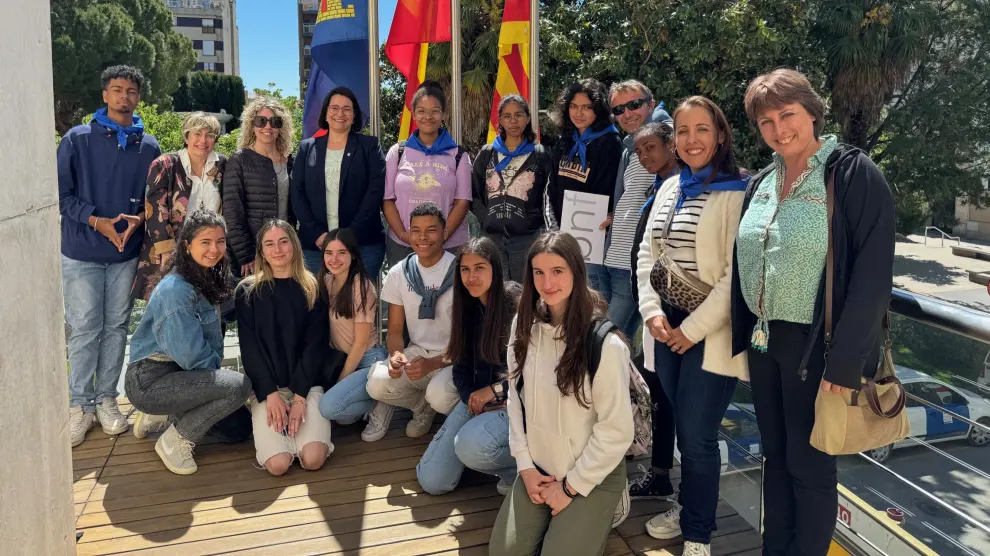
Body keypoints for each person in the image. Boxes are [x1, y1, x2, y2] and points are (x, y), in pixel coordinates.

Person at [732, 68, 895, 556]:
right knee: (776, 460)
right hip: (765, 345)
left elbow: (872, 277)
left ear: (811, 113)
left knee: (810, 467)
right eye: (766, 121)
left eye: (788, 115)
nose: (779, 129)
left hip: (817, 350)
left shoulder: (851, 172)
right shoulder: (763, 180)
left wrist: (844, 363)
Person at [635, 96, 750, 556]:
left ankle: (699, 533)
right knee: (680, 423)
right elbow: (647, 255)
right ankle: (685, 507)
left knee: (698, 436)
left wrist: (692, 330)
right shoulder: (669, 187)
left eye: (702, 129)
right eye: (682, 131)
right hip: (666, 327)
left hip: (711, 333)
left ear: (720, 134)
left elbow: (734, 275)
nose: (692, 139)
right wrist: (651, 312)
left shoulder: (736, 192)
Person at [489, 232, 633, 556]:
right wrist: (524, 466)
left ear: (576, 273)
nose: (547, 282)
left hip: (589, 474)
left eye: (557, 271)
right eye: (538, 272)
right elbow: (515, 399)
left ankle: (612, 505)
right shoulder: (522, 326)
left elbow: (617, 431)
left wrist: (570, 487)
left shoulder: (604, 344)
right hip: (539, 468)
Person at [58, 65, 161, 447]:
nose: (124, 96)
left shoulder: (149, 145)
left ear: (138, 97)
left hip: (125, 253)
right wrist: (97, 221)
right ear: (104, 95)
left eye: (131, 90)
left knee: (117, 326)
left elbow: (153, 199)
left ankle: (106, 399)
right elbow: (62, 196)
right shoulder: (76, 139)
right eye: (117, 89)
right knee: (85, 327)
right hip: (82, 251)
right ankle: (79, 405)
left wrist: (137, 220)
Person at [125, 210, 252, 475]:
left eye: (220, 241)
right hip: (150, 381)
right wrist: (225, 382)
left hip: (178, 376)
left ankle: (163, 414)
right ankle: (175, 440)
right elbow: (194, 359)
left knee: (239, 429)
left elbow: (239, 299)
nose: (214, 249)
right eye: (205, 242)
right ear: (187, 245)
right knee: (238, 387)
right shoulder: (176, 290)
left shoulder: (207, 277)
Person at [416, 237, 520, 496]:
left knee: (470, 446)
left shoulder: (516, 302)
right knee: (433, 481)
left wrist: (496, 391)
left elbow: (535, 370)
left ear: (495, 268)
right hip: (478, 399)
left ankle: (515, 471)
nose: (471, 277)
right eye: (465, 269)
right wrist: (472, 398)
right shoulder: (467, 306)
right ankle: (479, 451)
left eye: (480, 268)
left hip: (516, 400)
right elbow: (460, 367)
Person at [235, 220, 334, 475]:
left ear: (294, 246)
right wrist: (270, 393)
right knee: (278, 465)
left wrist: (300, 396)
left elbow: (315, 346)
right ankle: (284, 443)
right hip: (268, 389)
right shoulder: (247, 291)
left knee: (312, 460)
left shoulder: (313, 287)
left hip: (307, 385)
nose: (277, 249)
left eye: (283, 241)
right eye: (269, 244)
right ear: (262, 252)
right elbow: (250, 350)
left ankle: (301, 439)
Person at [366, 203, 461, 438]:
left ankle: (448, 416)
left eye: (431, 230)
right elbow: (396, 330)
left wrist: (435, 363)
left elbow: (469, 339)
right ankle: (421, 407)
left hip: (454, 358)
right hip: (418, 353)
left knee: (440, 396)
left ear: (444, 233)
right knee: (376, 384)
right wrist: (397, 355)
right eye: (416, 230)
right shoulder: (400, 272)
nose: (423, 237)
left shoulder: (460, 270)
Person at [626, 121, 680, 502]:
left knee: (668, 399)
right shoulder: (658, 187)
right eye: (639, 151)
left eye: (651, 148)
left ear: (671, 145)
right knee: (657, 396)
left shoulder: (681, 188)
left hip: (671, 316)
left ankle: (670, 482)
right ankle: (659, 475)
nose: (645, 156)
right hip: (653, 313)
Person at [291, 87, 387, 277]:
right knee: (319, 304)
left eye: (346, 109)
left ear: (354, 115)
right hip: (316, 246)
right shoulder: (306, 148)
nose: (340, 114)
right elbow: (297, 193)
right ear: (326, 113)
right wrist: (318, 234)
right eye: (334, 108)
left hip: (363, 245)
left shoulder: (370, 146)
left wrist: (347, 238)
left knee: (359, 303)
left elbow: (375, 192)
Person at [601, 80, 671, 339]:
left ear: (651, 104)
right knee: (619, 344)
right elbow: (631, 197)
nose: (627, 114)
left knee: (605, 339)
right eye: (619, 110)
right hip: (618, 258)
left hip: (639, 261)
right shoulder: (630, 148)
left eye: (634, 105)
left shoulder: (668, 137)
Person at [134, 112, 226, 300]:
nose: (203, 140)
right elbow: (155, 210)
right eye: (197, 134)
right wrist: (167, 255)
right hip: (172, 251)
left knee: (210, 311)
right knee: (173, 309)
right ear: (186, 137)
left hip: (210, 252)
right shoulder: (166, 165)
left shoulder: (223, 165)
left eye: (210, 135)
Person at [544, 78, 622, 297]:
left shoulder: (610, 142)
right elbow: (553, 187)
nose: (579, 113)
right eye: (573, 107)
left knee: (593, 295)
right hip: (563, 232)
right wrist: (555, 227)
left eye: (587, 107)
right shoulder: (564, 141)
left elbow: (608, 190)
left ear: (598, 109)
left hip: (593, 239)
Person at [382, 80, 472, 267]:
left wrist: (442, 235)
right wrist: (403, 235)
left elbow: (462, 201)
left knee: (450, 296)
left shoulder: (458, 155)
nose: (428, 116)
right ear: (414, 114)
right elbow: (388, 200)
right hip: (403, 245)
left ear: (443, 114)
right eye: (421, 111)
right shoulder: (397, 153)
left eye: (435, 111)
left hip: (449, 246)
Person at [316, 228, 393, 442]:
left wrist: (342, 379)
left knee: (329, 407)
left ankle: (383, 401)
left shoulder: (362, 286)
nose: (334, 259)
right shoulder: (327, 282)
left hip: (367, 358)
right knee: (341, 418)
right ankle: (372, 400)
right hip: (342, 358)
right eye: (329, 253)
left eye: (341, 252)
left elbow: (360, 343)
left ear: (353, 254)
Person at [470, 94, 552, 282]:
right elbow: (473, 194)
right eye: (507, 116)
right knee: (494, 292)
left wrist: (531, 221)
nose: (513, 121)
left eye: (518, 115)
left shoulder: (539, 154)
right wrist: (486, 219)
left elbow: (549, 196)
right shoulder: (487, 154)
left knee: (525, 294)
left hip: (526, 239)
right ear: (500, 120)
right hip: (492, 239)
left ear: (528, 118)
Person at [223, 96, 295, 276]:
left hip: (285, 250)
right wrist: (246, 255)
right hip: (254, 253)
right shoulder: (239, 161)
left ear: (281, 127)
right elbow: (232, 213)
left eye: (274, 122)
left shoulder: (291, 161)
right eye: (261, 121)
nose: (267, 127)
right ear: (252, 126)